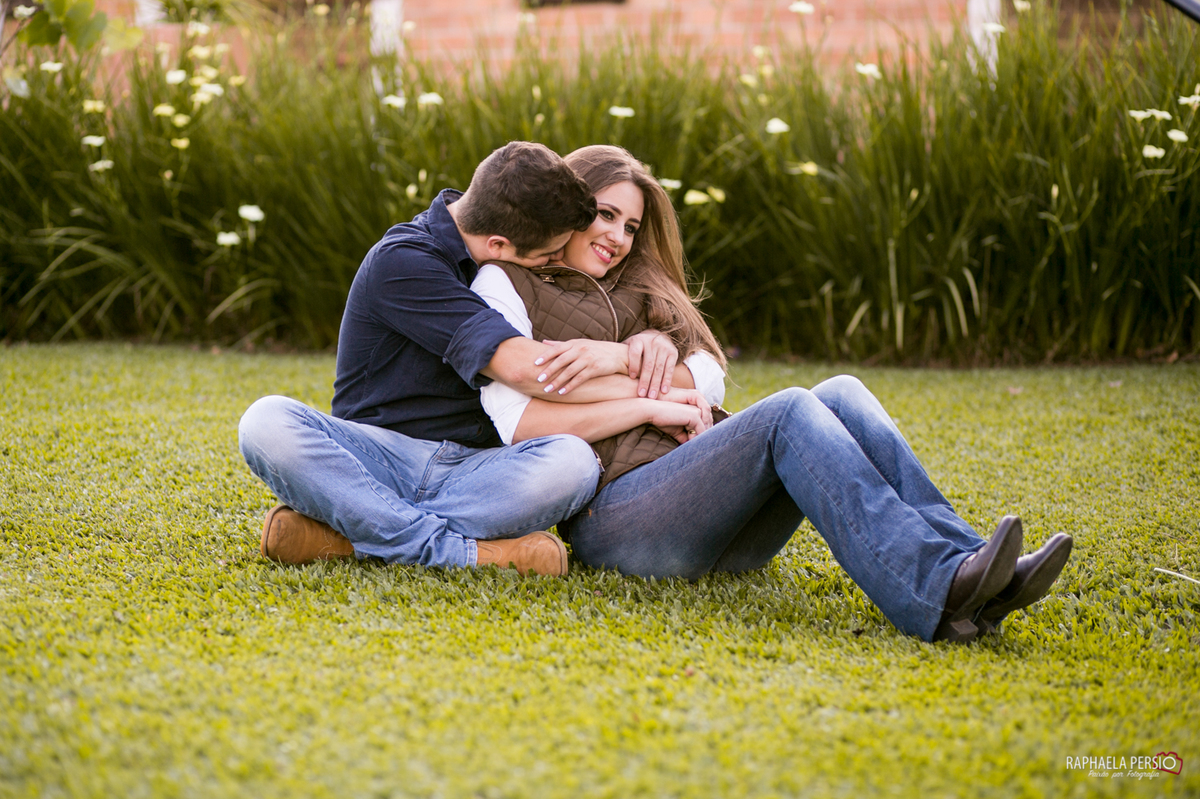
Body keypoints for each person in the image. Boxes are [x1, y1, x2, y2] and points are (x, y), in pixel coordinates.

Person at [468, 145, 1074, 643]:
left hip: (709, 518)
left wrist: (629, 354)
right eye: (604, 215)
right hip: (617, 523)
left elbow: (709, 373)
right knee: (787, 411)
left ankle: (976, 568)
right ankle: (936, 592)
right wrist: (651, 396)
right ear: (568, 207)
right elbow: (521, 413)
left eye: (630, 225)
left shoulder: (639, 284)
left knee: (842, 390)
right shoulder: (506, 282)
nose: (619, 237)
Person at [238, 142, 703, 577]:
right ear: (499, 245)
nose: (550, 264)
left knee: (574, 462)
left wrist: (645, 342)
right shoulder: (405, 262)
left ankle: (349, 538)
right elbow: (525, 369)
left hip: (477, 473)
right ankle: (468, 553)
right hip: (382, 458)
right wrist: (650, 398)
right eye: (546, 256)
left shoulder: (506, 232)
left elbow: (693, 358)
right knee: (265, 421)